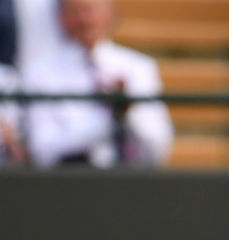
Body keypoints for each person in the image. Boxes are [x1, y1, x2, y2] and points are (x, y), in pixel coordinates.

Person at [19, 0, 173, 167]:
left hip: (129, 180)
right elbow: (43, 149)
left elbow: (158, 144)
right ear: (61, 18)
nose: (84, 20)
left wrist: (126, 113)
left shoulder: (138, 67)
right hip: (69, 182)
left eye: (91, 10)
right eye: (75, 11)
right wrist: (108, 119)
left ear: (110, 14)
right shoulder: (40, 72)